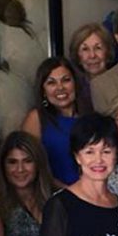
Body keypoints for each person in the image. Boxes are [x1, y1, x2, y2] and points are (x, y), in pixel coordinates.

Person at [23, 57, 81, 186]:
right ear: (43, 90)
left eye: (66, 80)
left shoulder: (90, 117)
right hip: (52, 195)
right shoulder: (36, 119)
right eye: (51, 83)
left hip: (91, 194)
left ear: (75, 83)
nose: (60, 88)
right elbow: (30, 166)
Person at [68, 23, 116, 115]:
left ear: (108, 52)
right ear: (78, 56)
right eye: (85, 49)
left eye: (98, 48)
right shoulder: (73, 90)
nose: (92, 55)